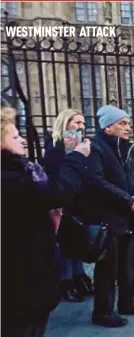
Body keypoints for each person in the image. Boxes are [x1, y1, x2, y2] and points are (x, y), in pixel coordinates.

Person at [1, 105, 91, 337]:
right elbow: (55, 188)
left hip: (29, 274)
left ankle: (76, 279)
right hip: (21, 281)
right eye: (15, 136)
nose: (21, 140)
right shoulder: (14, 177)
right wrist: (76, 158)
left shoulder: (20, 170)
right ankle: (68, 282)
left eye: (82, 123)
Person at [80, 105, 134, 328]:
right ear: (108, 126)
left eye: (128, 123)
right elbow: (96, 182)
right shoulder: (95, 148)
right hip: (109, 217)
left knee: (131, 263)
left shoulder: (127, 148)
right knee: (108, 268)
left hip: (130, 216)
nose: (127, 128)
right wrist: (128, 200)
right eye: (122, 123)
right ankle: (103, 312)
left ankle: (128, 302)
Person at [42, 108, 94, 302]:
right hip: (62, 198)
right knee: (64, 242)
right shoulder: (55, 145)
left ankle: (80, 277)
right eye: (76, 123)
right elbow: (57, 171)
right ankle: (66, 282)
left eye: (82, 123)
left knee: (77, 238)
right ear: (65, 123)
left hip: (80, 197)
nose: (81, 127)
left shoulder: (83, 144)